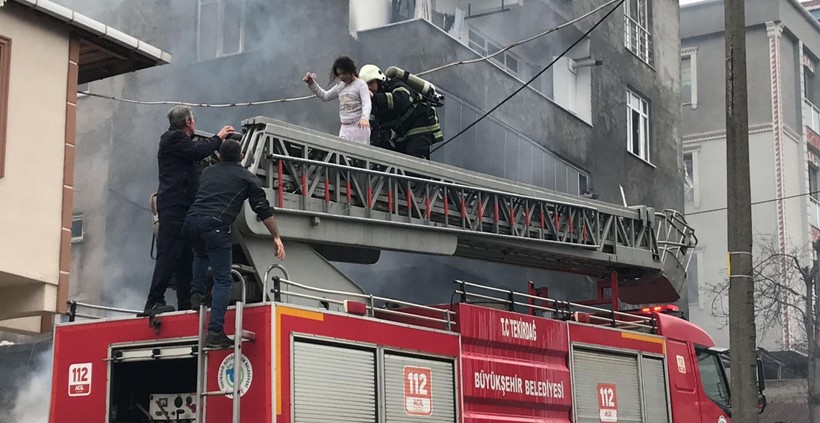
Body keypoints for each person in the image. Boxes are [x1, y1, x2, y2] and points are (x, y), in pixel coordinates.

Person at [183, 140, 286, 349]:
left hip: (191, 222)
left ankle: (196, 296)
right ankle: (215, 332)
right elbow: (262, 209)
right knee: (223, 281)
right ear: (241, 157)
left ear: (219, 156)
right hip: (216, 226)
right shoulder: (246, 177)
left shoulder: (207, 173)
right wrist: (276, 236)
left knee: (201, 255)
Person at [143, 105, 235, 314]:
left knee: (186, 257)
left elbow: (197, 163)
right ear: (187, 122)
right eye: (193, 119)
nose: (195, 123)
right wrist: (219, 137)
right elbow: (198, 151)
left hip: (185, 208)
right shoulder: (172, 139)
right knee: (168, 254)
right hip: (174, 206)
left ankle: (184, 301)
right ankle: (154, 301)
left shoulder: (180, 145)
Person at [359, 64, 443, 158]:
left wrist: (375, 97)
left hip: (422, 124)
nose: (368, 88)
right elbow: (376, 126)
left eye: (371, 83)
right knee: (388, 150)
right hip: (403, 132)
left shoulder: (395, 84)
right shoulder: (374, 104)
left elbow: (401, 100)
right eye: (365, 86)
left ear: (379, 81)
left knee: (413, 156)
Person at [303, 56, 371, 144]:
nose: (341, 77)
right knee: (343, 155)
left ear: (351, 71)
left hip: (359, 127)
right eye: (339, 74)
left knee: (360, 155)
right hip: (345, 128)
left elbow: (366, 103)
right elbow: (325, 96)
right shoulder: (340, 86)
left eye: (344, 73)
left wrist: (365, 118)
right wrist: (312, 83)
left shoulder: (361, 85)